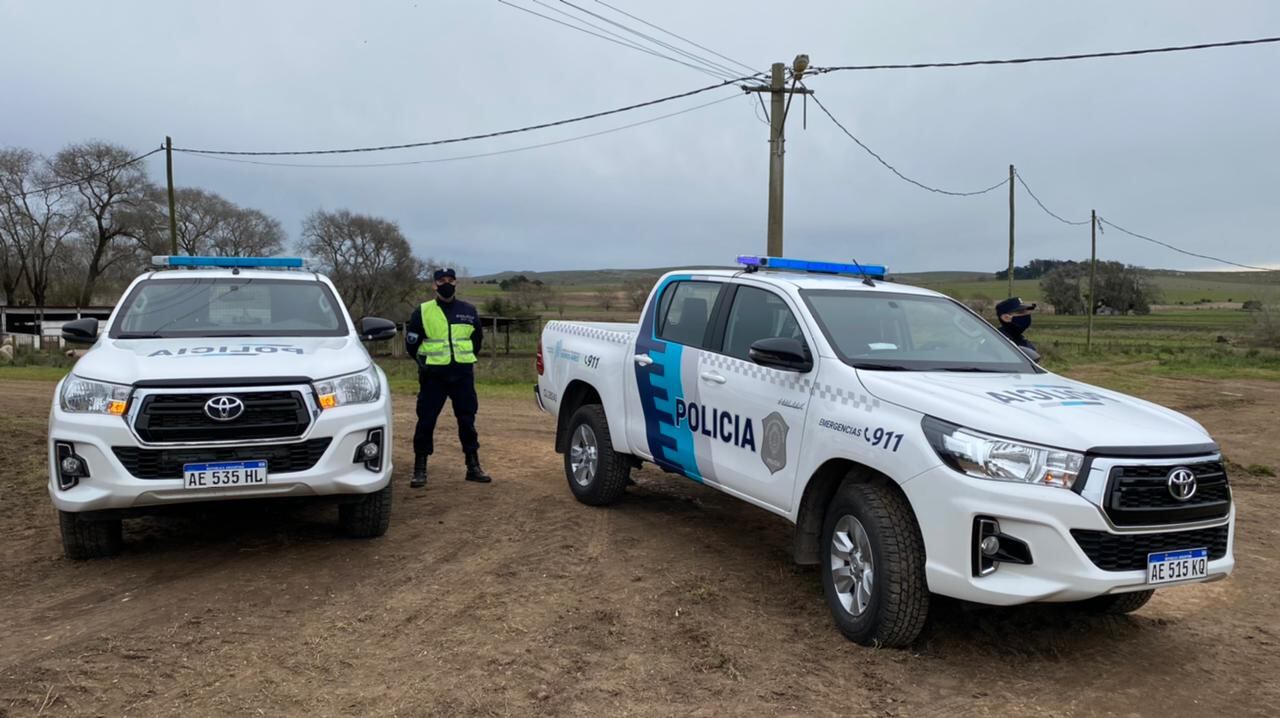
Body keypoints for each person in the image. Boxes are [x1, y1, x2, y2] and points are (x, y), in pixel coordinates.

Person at [404, 268, 492, 488]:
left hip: (462, 375)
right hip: (434, 376)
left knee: (467, 421)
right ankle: (420, 470)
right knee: (426, 421)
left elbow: (476, 341)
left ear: (456, 283)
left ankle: (473, 467)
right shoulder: (423, 311)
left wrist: (462, 361)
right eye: (441, 280)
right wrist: (423, 364)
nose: (446, 283)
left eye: (450, 280)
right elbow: (411, 343)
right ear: (434, 285)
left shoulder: (468, 310)